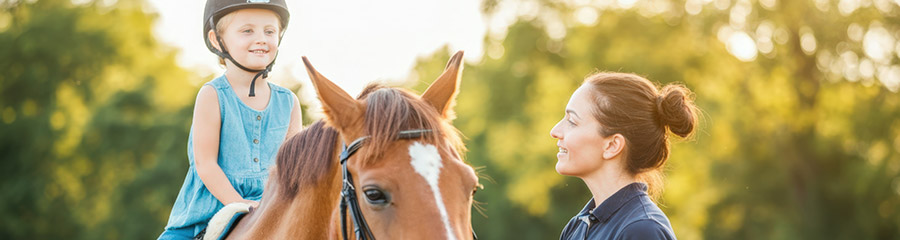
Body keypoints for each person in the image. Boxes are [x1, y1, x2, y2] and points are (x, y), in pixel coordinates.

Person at [158, 0, 301, 239]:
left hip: (271, 208)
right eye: (247, 31)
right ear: (217, 40)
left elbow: (293, 169)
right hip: (206, 213)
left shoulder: (289, 102)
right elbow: (206, 164)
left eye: (270, 31)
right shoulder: (213, 95)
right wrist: (242, 206)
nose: (261, 39)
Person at [550, 72, 698, 240]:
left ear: (612, 145)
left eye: (572, 122)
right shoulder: (577, 227)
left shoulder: (643, 230)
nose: (555, 131)